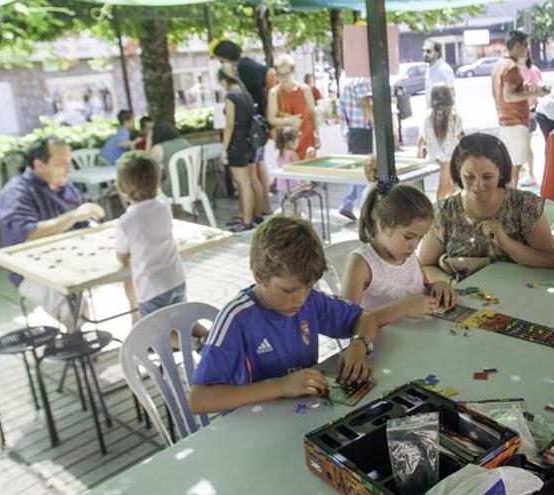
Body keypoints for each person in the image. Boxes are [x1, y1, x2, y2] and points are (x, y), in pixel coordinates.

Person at [188, 216, 380, 414]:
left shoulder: (311, 300)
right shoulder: (237, 319)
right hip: (253, 424)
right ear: (259, 276)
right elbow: (199, 400)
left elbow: (366, 318)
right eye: (289, 291)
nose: (300, 299)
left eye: (309, 287)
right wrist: (282, 386)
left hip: (298, 414)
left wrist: (358, 346)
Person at [0, 137, 105, 331]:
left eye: (69, 161)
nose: (69, 168)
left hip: (70, 259)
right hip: (32, 271)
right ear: (39, 165)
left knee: (134, 264)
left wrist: (92, 226)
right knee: (70, 304)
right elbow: (30, 233)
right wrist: (73, 216)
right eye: (62, 163)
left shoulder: (66, 186)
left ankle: (139, 324)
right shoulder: (15, 193)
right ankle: (78, 349)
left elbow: (82, 222)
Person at [420, 133, 554, 282]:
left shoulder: (524, 205)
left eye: (487, 177)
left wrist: (507, 243)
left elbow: (553, 263)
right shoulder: (444, 212)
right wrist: (450, 286)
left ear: (501, 173)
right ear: (458, 172)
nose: (478, 184)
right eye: (469, 176)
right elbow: (425, 266)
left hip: (517, 295)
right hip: (460, 297)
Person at [341, 182, 456, 326]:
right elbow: (345, 322)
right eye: (409, 237)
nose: (415, 246)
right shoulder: (361, 263)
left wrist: (438, 286)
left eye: (421, 238)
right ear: (382, 225)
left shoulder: (407, 254)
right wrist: (402, 308)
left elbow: (423, 286)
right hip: (380, 345)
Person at [115, 153, 187, 318]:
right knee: (181, 320)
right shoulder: (163, 207)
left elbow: (122, 257)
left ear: (121, 186)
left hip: (151, 287)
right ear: (157, 182)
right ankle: (199, 339)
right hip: (175, 277)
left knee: (157, 332)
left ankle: (194, 340)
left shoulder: (126, 222)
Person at [491, 31, 549, 188]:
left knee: (511, 170)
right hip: (515, 123)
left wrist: (528, 89)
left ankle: (508, 205)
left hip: (507, 123)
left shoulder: (500, 65)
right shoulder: (511, 67)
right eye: (526, 45)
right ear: (517, 46)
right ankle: (510, 207)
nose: (527, 50)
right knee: (513, 172)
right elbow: (508, 96)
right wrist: (536, 92)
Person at [218, 66, 266, 232]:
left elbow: (229, 125)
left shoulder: (230, 97)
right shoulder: (246, 94)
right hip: (250, 143)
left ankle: (246, 221)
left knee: (243, 184)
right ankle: (257, 215)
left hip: (237, 144)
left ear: (224, 80)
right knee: (253, 180)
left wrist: (224, 149)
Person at [267, 55, 319, 161]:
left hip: (307, 137)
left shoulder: (304, 89)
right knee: (292, 175)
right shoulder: (274, 92)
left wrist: (317, 134)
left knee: (309, 172)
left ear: (293, 72)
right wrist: (290, 120)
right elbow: (271, 119)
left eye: (286, 74)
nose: (283, 78)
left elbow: (312, 113)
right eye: (280, 74)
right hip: (288, 142)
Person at [417, 83, 463, 200]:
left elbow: (422, 136)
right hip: (450, 154)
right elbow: (460, 135)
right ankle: (439, 211)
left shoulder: (428, 116)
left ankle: (452, 207)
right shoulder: (454, 115)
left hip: (435, 154)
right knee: (444, 184)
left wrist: (419, 150)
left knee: (450, 184)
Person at [337, 75, 374, 222]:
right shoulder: (361, 79)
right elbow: (365, 104)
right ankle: (364, 208)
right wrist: (379, 125)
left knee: (361, 168)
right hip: (362, 130)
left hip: (354, 129)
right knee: (365, 170)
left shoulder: (347, 78)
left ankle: (348, 203)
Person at [210, 39, 269, 116]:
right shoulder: (242, 65)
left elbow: (270, 72)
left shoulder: (244, 67)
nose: (222, 64)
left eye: (221, 61)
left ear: (227, 56)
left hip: (259, 110)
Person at [274, 127, 316, 216]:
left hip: (282, 186)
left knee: (287, 210)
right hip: (294, 187)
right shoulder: (292, 153)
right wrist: (308, 156)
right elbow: (299, 167)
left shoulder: (280, 153)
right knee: (297, 210)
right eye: (297, 140)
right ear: (290, 142)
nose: (298, 143)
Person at [149, 121, 192, 197]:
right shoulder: (185, 142)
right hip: (191, 185)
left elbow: (148, 167)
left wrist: (148, 140)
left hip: (171, 189)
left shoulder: (158, 148)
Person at [519, 57, 543, 187]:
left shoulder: (525, 71)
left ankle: (531, 174)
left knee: (526, 144)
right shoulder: (534, 70)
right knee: (525, 144)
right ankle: (526, 172)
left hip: (527, 114)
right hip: (530, 113)